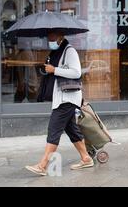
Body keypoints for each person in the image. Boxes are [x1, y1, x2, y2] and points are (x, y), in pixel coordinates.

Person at [25, 30, 93, 176]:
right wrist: (48, 69)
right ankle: (86, 158)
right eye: (48, 36)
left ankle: (43, 165)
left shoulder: (70, 51)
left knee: (53, 130)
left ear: (59, 36)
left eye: (51, 36)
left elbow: (76, 73)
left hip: (67, 98)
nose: (49, 38)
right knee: (72, 130)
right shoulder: (57, 52)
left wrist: (54, 69)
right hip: (62, 97)